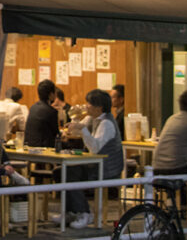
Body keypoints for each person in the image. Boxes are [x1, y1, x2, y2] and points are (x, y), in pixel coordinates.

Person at [55, 89, 123, 229]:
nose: (86, 106)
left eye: (89, 103)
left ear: (99, 107)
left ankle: (84, 213)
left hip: (107, 168)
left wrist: (82, 129)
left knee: (69, 173)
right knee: (59, 172)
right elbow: (76, 130)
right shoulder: (93, 118)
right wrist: (74, 122)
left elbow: (95, 148)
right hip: (94, 164)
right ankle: (72, 211)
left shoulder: (107, 123)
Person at [23, 80, 59, 148]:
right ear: (51, 94)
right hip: (43, 149)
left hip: (28, 146)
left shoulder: (33, 107)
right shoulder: (51, 111)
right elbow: (56, 134)